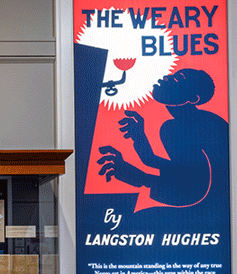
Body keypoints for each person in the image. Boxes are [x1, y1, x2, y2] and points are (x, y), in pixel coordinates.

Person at [97, 68, 228, 207]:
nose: (167, 77)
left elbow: (191, 186)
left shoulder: (179, 127)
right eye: (172, 75)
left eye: (177, 79)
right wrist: (139, 137)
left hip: (210, 209)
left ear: (193, 98)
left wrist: (142, 179)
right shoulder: (195, 120)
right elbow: (182, 170)